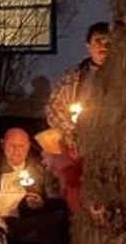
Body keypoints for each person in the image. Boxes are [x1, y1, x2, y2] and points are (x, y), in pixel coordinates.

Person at [44, 22, 110, 212]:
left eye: (108, 42)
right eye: (98, 41)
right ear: (88, 45)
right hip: (76, 146)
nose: (103, 46)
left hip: (106, 147)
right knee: (74, 186)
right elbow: (53, 108)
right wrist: (70, 130)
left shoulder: (122, 81)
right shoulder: (73, 77)